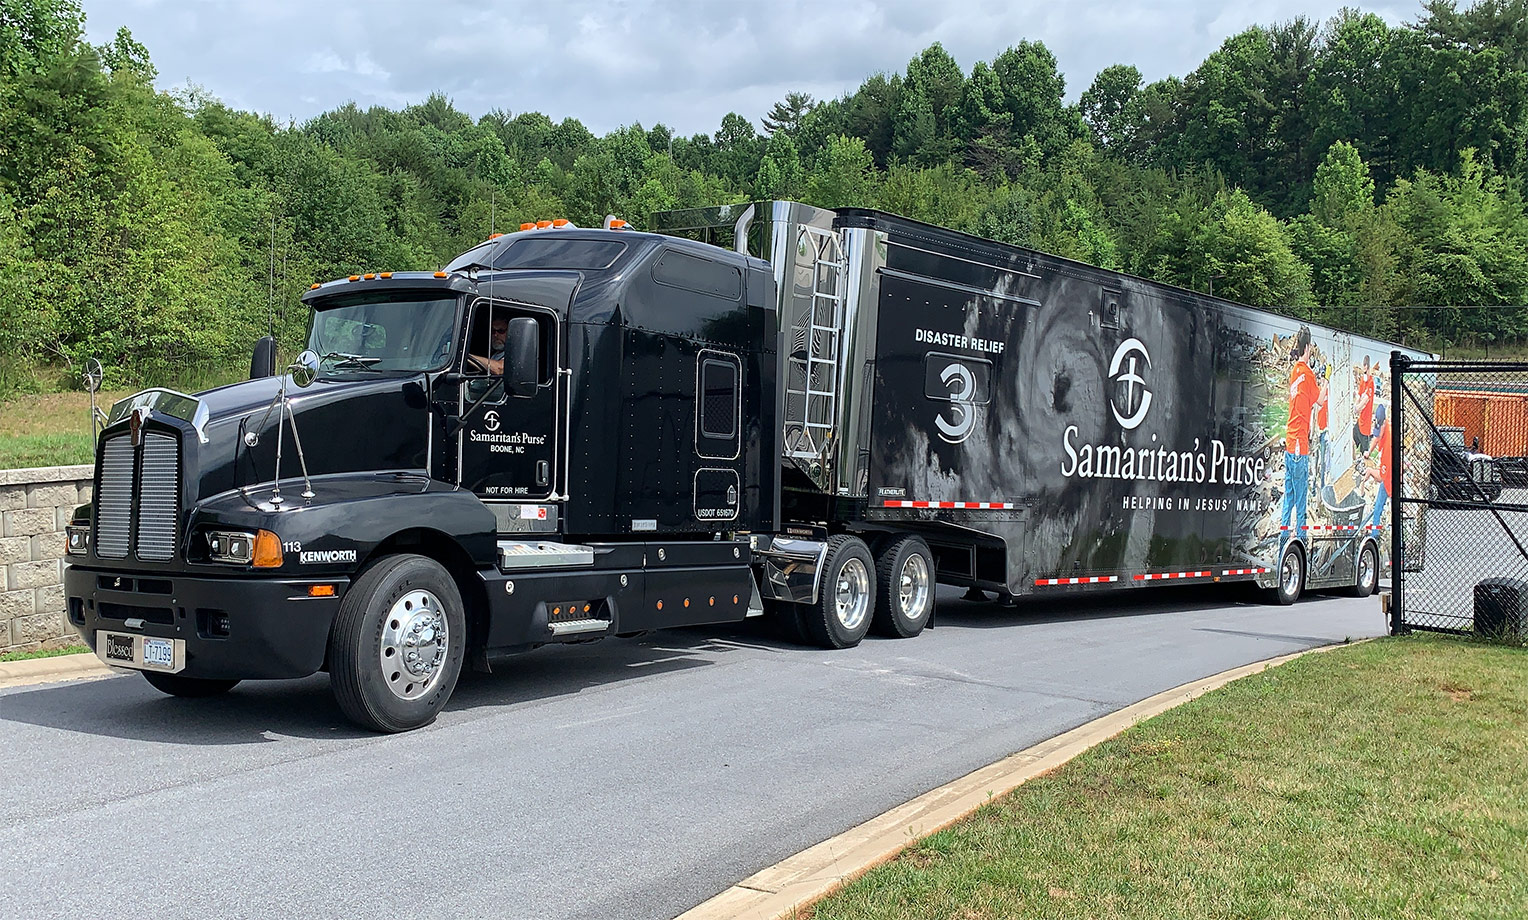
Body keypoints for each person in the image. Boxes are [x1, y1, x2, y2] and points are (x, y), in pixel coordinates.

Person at [1280, 327, 1325, 555]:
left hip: (1290, 442)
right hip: (1300, 444)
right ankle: (1302, 547)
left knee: (1288, 497)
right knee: (1301, 499)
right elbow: (1320, 400)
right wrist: (1326, 379)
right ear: (1308, 348)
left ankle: (1283, 542)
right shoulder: (1308, 374)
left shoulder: (1295, 371)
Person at [1365, 403, 1393, 532]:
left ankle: (1376, 534)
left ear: (1384, 424)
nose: (1377, 434)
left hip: (1391, 479)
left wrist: (1370, 471)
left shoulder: (1388, 446)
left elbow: (1382, 477)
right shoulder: (1385, 428)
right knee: (1378, 507)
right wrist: (1368, 452)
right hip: (1389, 473)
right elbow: (1376, 438)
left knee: (1381, 507)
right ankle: (1375, 532)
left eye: (1378, 430)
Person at [1353, 356, 1376, 458]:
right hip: (1360, 420)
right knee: (1352, 439)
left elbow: (1365, 400)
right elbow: (1359, 394)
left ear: (1366, 366)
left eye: (1364, 366)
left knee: (1364, 452)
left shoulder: (1370, 383)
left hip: (1365, 424)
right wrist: (1355, 404)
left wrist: (1357, 408)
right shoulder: (1363, 380)